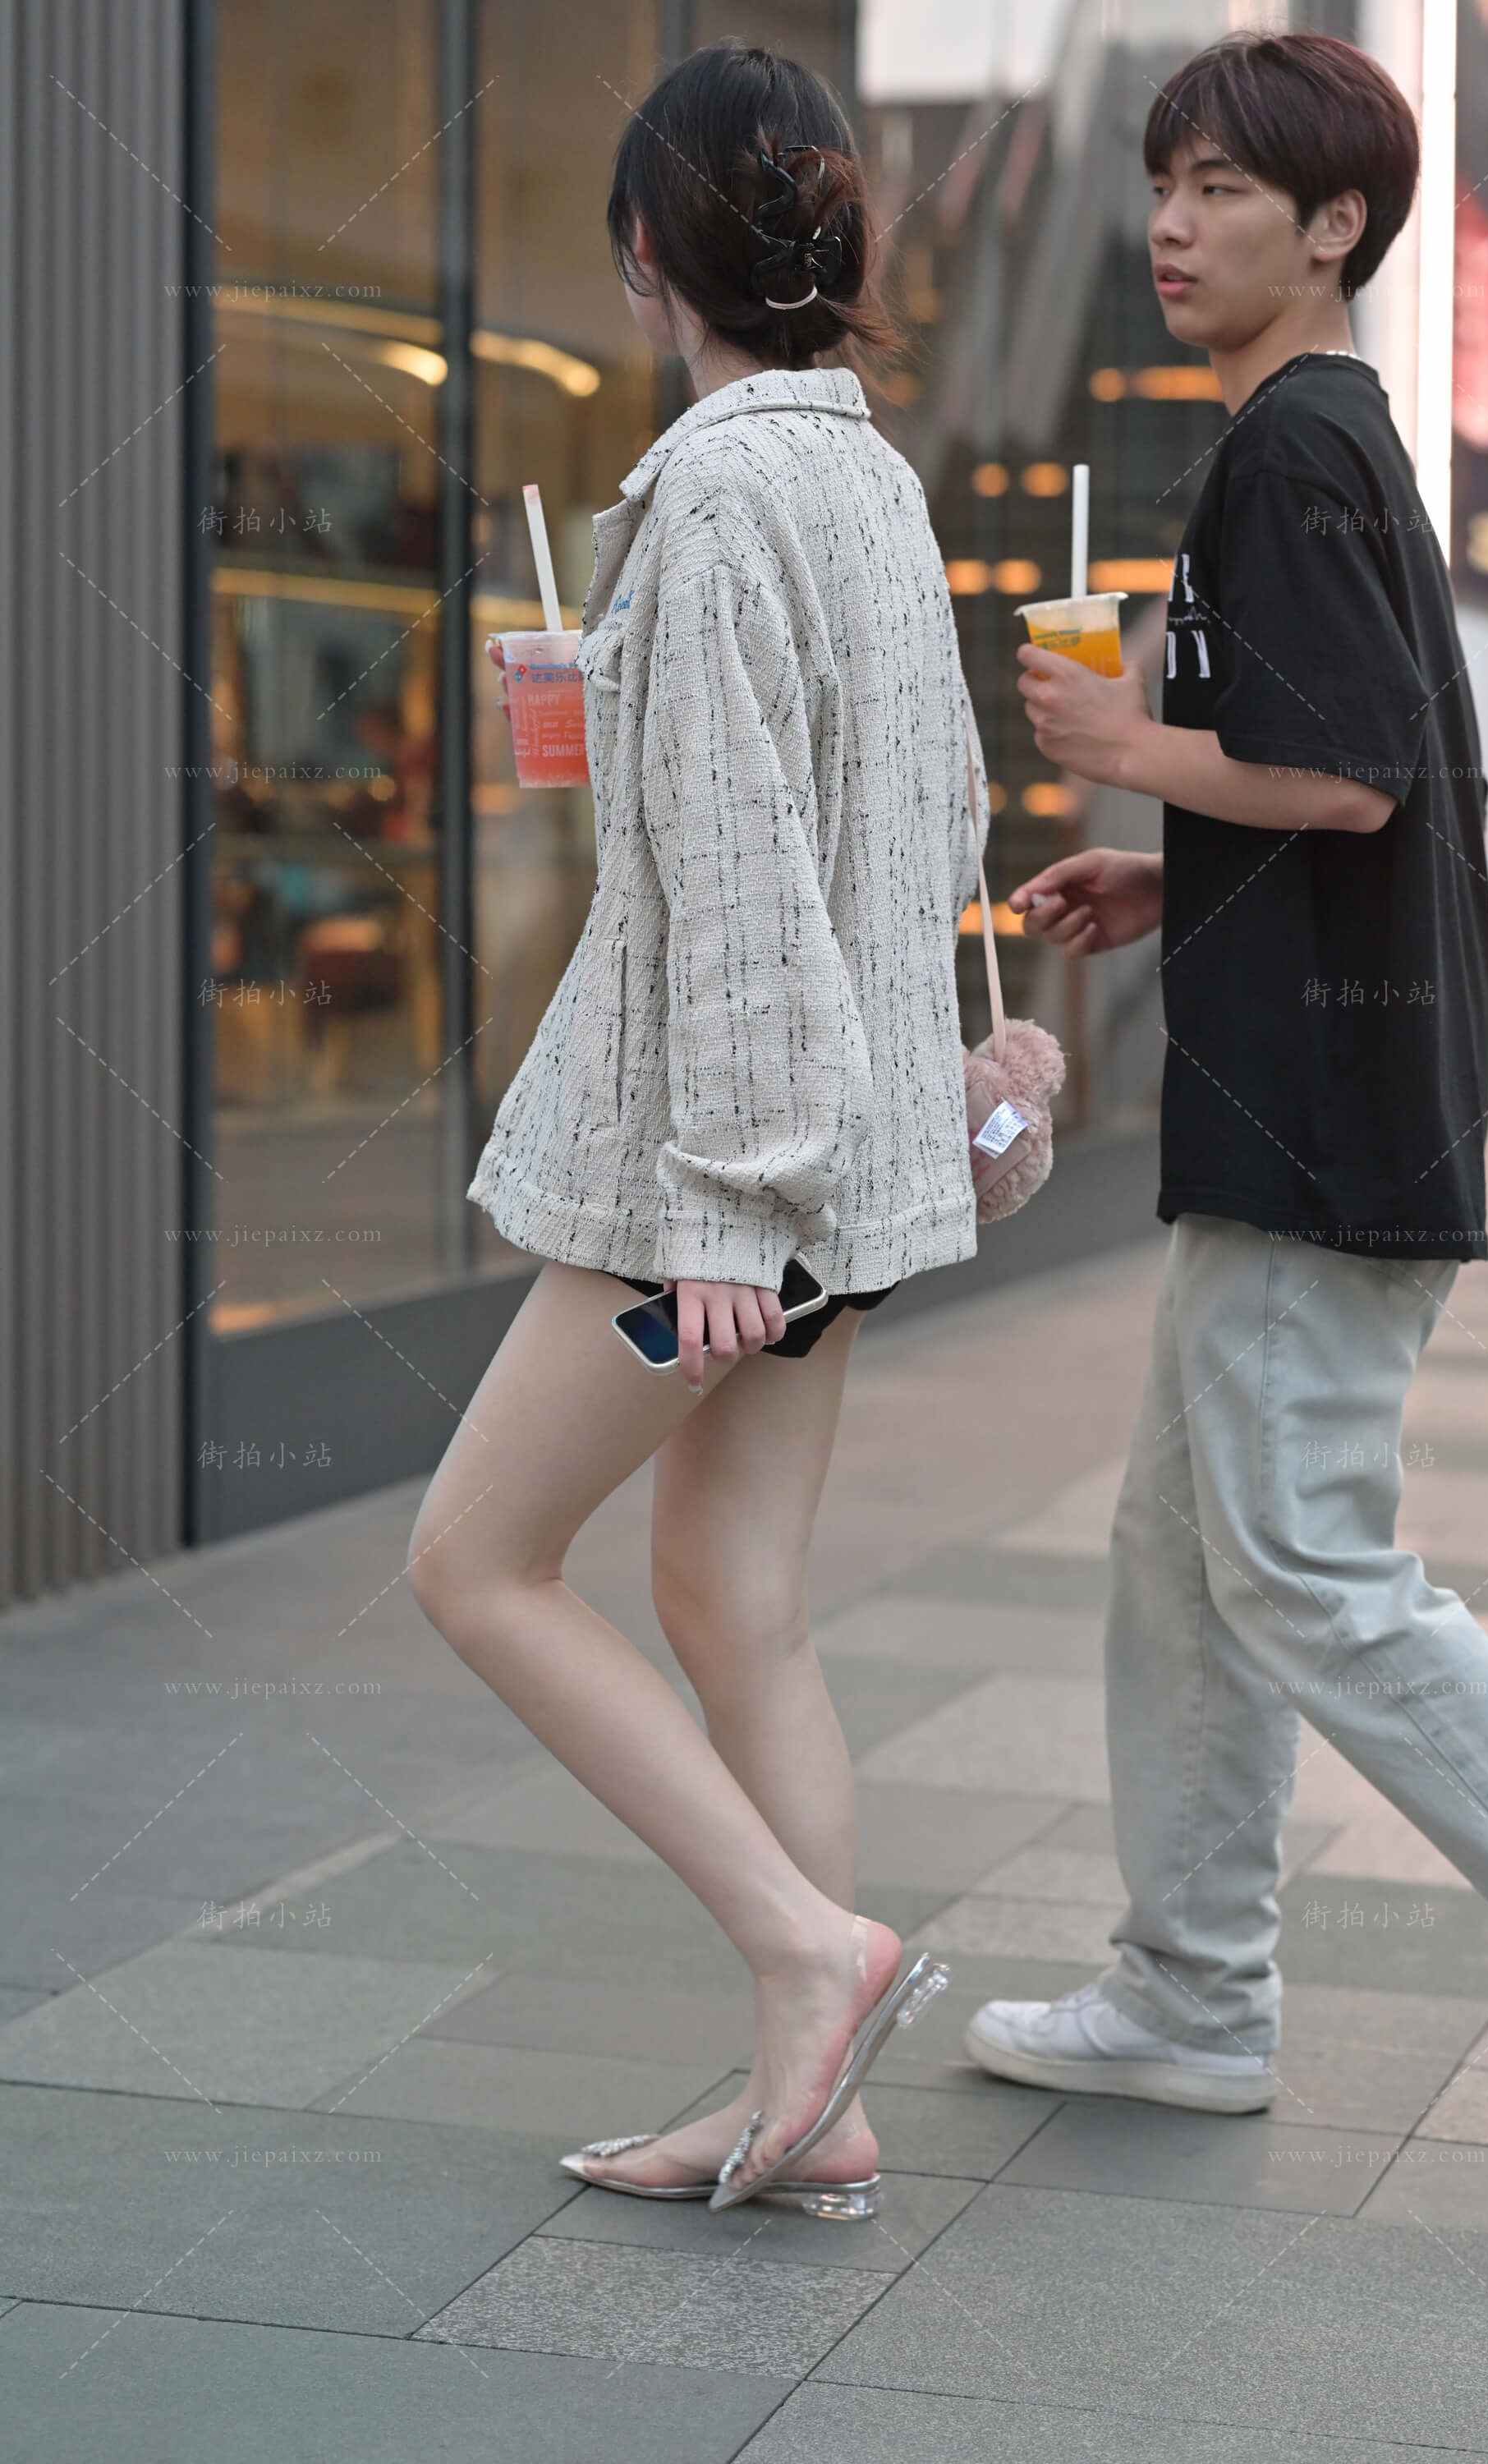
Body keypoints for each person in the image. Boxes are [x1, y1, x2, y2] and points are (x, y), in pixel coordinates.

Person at [963, 28, 1488, 2217]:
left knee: (1306, 1569)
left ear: (1338, 224)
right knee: (1187, 1562)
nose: (1173, 227)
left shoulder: (1300, 447)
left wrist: (1121, 754)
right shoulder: (1315, 438)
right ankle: (1190, 1994)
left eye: (1225, 192)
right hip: (1317, 1093)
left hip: (1328, 1122)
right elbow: (1362, 783)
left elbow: (1344, 776)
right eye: (1163, 184)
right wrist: (1174, 866)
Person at [410, 39, 976, 2218]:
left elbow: (746, 876)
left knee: (478, 1562)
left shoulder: (721, 497)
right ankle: (816, 2103)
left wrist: (730, 1208)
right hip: (830, 1172)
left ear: (648, 254)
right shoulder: (873, 485)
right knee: (740, 1604)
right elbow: (909, 819)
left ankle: (808, 1955)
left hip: (717, 1186)